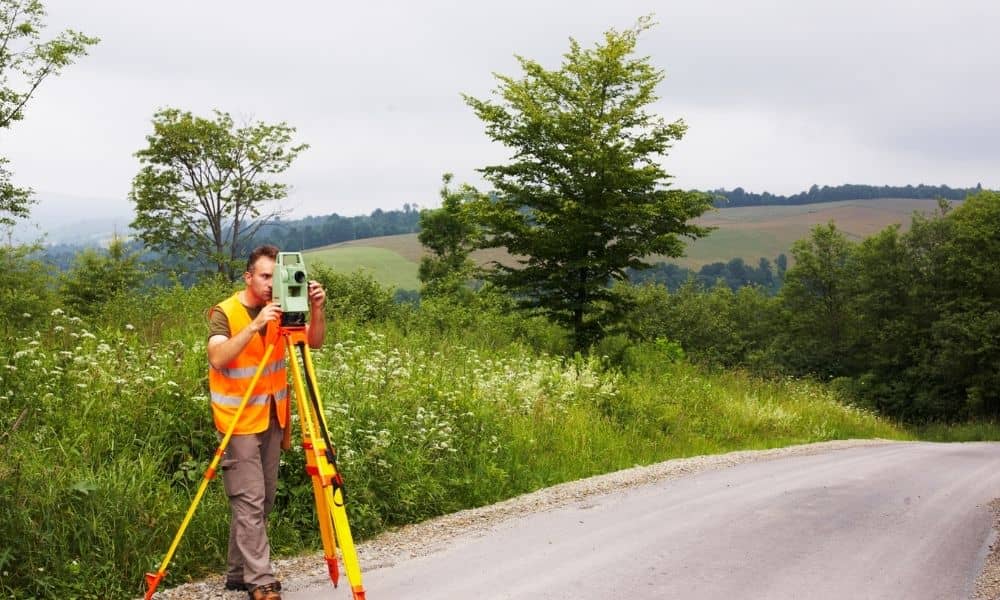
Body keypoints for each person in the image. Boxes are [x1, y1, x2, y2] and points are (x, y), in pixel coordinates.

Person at [207, 244, 326, 600]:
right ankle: (261, 582)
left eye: (277, 276)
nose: (272, 283)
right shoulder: (225, 312)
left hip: (272, 417)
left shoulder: (285, 308)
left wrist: (316, 309)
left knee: (262, 500)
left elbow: (314, 343)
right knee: (250, 499)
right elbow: (218, 358)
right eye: (265, 276)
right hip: (238, 420)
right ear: (248, 277)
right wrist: (256, 325)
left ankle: (237, 572)